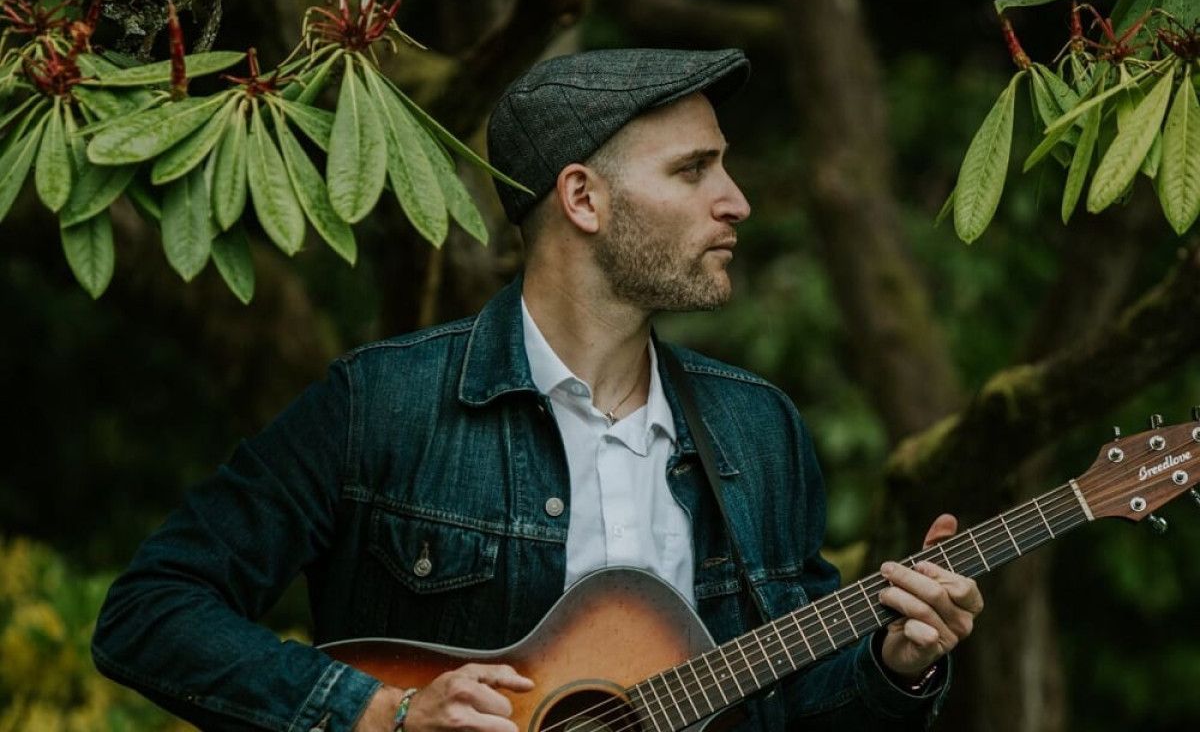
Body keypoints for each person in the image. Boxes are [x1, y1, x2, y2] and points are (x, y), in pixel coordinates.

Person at [92, 48, 983, 732]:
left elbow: (794, 702)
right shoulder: (385, 404)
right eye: (693, 169)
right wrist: (381, 713)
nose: (737, 200)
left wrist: (896, 662)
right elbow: (151, 611)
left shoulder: (757, 429)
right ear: (583, 200)